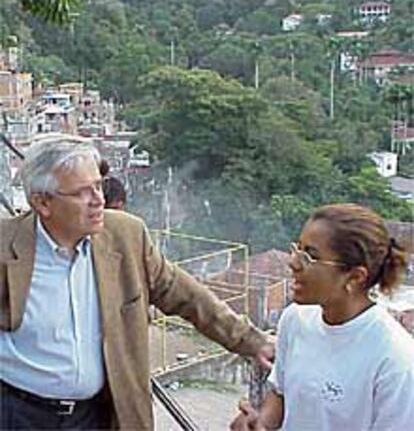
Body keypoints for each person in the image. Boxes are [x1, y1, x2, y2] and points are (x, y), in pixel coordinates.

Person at [0, 135, 274, 431]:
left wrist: (249, 341)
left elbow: (186, 295)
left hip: (97, 415)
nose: (98, 200)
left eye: (98, 186)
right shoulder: (6, 246)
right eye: (82, 192)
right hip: (18, 414)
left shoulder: (126, 236)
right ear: (42, 202)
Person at [230, 203, 414, 431]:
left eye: (309, 257)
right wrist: (260, 423)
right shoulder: (295, 319)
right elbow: (281, 394)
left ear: (355, 277)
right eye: (297, 249)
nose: (293, 262)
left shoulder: (396, 360)